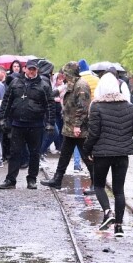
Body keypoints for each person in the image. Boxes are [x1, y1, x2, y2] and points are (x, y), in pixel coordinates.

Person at [83, 73, 133, 237]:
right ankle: (119, 227)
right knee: (119, 190)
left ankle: (108, 213)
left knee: (99, 185)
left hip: (102, 153)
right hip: (122, 154)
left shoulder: (96, 106)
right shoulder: (129, 106)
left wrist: (86, 150)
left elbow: (93, 133)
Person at [0, 59, 55, 190]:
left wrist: (50, 123)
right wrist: (2, 118)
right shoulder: (15, 83)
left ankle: (32, 179)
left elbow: (50, 105)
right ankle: (10, 180)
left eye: (34, 69)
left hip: (36, 125)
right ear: (25, 69)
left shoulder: (44, 85)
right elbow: (6, 101)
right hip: (18, 124)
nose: (31, 71)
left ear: (37, 70)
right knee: (14, 152)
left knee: (35, 153)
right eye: (29, 69)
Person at [41, 61, 94, 192]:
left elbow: (83, 108)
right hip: (69, 128)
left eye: (64, 73)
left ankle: (96, 183)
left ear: (69, 73)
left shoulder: (81, 86)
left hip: (79, 130)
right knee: (64, 155)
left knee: (86, 156)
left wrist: (77, 126)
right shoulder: (72, 84)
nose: (63, 76)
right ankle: (57, 180)